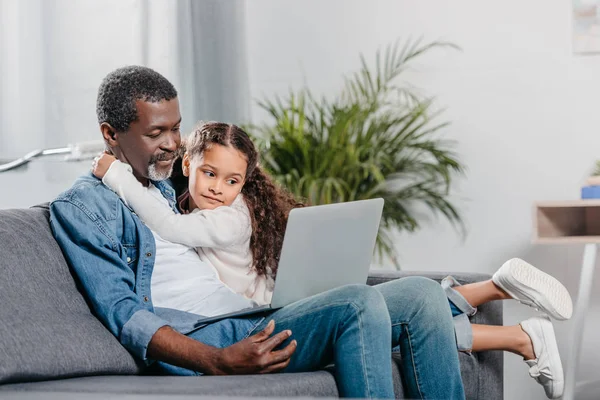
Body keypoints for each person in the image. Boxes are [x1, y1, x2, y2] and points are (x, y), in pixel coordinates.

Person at [50, 65, 568, 399]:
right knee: (357, 303)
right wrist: (216, 361)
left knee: (417, 297)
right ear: (110, 135)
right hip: (211, 337)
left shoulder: (166, 185)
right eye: (155, 133)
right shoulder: (85, 208)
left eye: (175, 129)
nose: (170, 144)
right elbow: (124, 313)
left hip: (250, 317)